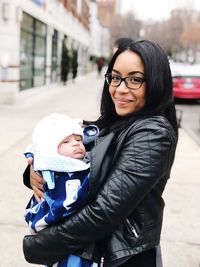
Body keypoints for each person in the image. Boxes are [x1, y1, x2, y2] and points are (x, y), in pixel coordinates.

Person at [23, 40, 178, 267]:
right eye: (115, 77)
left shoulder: (153, 133)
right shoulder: (116, 121)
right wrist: (34, 170)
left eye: (135, 79)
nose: (120, 88)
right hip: (94, 252)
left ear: (156, 82)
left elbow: (104, 212)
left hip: (123, 257)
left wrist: (38, 246)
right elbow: (65, 151)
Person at [24, 113, 99, 267]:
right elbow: (62, 205)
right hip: (64, 234)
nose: (76, 144)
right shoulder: (53, 173)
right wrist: (34, 166)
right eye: (66, 141)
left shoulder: (84, 163)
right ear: (50, 149)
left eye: (78, 140)